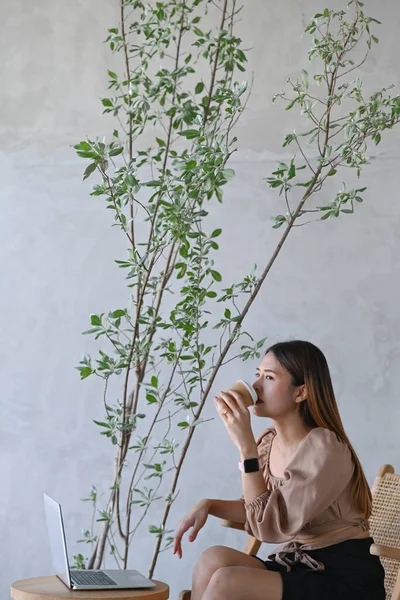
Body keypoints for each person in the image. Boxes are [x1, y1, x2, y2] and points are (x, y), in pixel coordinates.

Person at [173, 340, 386, 600]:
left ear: (301, 393)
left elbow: (272, 527)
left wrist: (245, 448)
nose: (256, 386)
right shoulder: (269, 442)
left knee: (228, 581)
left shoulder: (324, 448)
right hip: (299, 566)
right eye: (257, 375)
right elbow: (260, 509)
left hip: (343, 577)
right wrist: (208, 504)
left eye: (270, 377)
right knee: (212, 559)